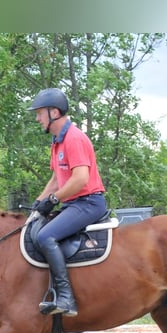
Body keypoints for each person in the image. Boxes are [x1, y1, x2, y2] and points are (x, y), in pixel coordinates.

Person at [28, 88, 108, 317]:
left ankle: (66, 298)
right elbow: (56, 179)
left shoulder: (74, 138)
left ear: (54, 112)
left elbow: (81, 178)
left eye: (39, 113)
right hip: (73, 204)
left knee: (45, 236)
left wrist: (53, 200)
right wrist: (38, 203)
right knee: (35, 228)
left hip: (89, 202)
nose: (37, 118)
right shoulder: (57, 142)